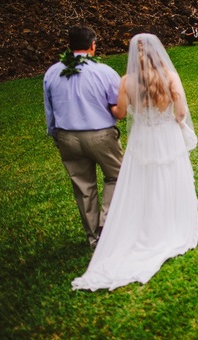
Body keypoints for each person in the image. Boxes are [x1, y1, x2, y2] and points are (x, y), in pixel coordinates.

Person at [72, 33, 198, 291]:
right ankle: (170, 223)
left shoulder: (126, 81)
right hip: (166, 137)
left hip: (142, 140)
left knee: (144, 182)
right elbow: (181, 111)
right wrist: (173, 120)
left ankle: (144, 224)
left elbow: (118, 113)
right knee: (169, 178)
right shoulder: (170, 77)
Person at [44, 25, 123, 250]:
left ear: (69, 46)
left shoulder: (52, 72)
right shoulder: (104, 72)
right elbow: (116, 105)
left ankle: (93, 238)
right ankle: (107, 227)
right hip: (100, 136)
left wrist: (55, 135)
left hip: (67, 137)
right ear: (92, 45)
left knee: (83, 187)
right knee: (116, 176)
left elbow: (49, 109)